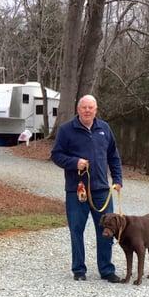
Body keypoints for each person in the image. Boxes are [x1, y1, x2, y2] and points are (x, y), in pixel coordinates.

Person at [51, 95, 123, 283]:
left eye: (91, 107)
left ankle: (107, 270)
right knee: (77, 230)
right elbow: (56, 155)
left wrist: (117, 179)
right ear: (78, 109)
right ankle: (79, 270)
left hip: (102, 190)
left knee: (108, 229)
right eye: (84, 107)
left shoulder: (104, 129)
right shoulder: (66, 130)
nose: (87, 110)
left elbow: (114, 156)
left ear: (96, 109)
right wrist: (75, 162)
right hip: (77, 190)